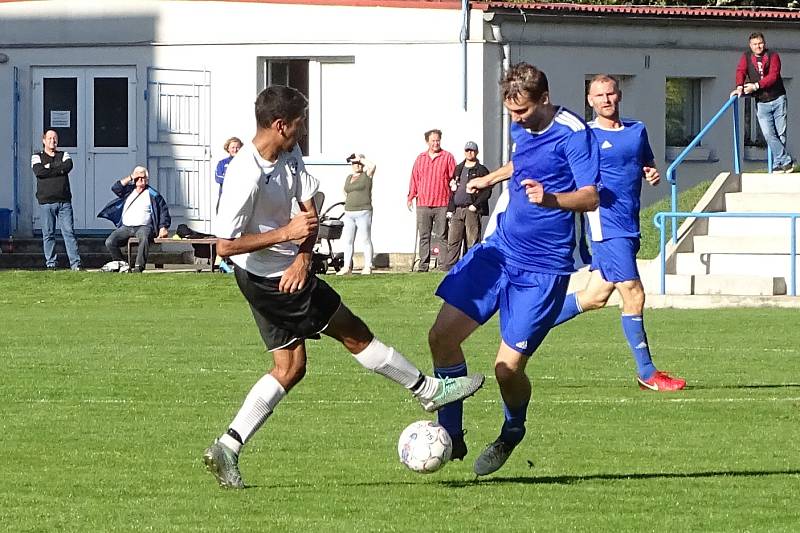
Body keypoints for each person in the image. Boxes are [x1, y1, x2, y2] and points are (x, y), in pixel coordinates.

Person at [204, 85, 484, 489]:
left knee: (290, 367)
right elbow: (225, 245)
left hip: (285, 268)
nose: (302, 131)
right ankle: (428, 390)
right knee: (354, 332)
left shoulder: (288, 152)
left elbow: (308, 203)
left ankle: (227, 447)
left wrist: (303, 254)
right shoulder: (244, 174)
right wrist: (288, 235)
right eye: (299, 123)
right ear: (280, 125)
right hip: (270, 279)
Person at [427, 63, 600, 477]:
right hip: (499, 249)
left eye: (522, 112)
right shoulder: (520, 127)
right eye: (511, 112)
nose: (516, 120)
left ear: (543, 99)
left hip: (543, 267)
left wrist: (551, 200)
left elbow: (591, 196)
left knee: (507, 368)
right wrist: (492, 179)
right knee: (441, 338)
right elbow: (521, 164)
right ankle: (451, 436)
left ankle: (512, 429)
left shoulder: (574, 134)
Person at [552, 74, 686, 392]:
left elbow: (645, 162)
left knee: (595, 296)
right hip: (605, 225)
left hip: (629, 223)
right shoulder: (585, 136)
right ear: (590, 101)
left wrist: (650, 171)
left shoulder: (637, 130)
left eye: (610, 93)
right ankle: (648, 372)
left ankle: (528, 323)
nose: (606, 100)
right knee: (633, 292)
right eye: (599, 95)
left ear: (619, 95)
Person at [732, 32, 793, 173]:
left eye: (760, 43)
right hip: (761, 102)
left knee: (780, 134)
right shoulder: (746, 57)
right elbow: (740, 71)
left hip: (778, 98)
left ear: (764, 43)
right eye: (755, 44)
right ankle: (786, 161)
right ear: (750, 45)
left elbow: (773, 76)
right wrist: (739, 86)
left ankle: (779, 164)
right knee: (768, 134)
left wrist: (756, 86)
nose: (758, 46)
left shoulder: (773, 56)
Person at [98, 166, 171, 273]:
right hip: (126, 227)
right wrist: (131, 177)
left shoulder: (153, 194)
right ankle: (122, 265)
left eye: (143, 177)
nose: (140, 180)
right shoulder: (129, 191)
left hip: (144, 226)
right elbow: (115, 188)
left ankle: (139, 267)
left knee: (144, 238)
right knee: (110, 241)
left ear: (147, 179)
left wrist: (163, 227)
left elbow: (163, 211)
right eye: (137, 178)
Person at [31, 130, 82, 270]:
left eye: (55, 138)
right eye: (49, 138)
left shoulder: (64, 154)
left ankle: (75, 264)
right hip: (45, 202)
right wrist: (57, 168)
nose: (52, 140)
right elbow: (39, 171)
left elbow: (68, 166)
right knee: (48, 234)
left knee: (69, 232)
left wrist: (49, 168)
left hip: (64, 202)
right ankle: (51, 264)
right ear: (44, 140)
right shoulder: (37, 156)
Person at [407, 129, 456, 272]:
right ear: (427, 142)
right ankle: (423, 265)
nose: (435, 143)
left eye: (437, 140)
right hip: (423, 203)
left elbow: (453, 178)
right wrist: (410, 197)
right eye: (433, 140)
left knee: (442, 235)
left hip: (442, 203)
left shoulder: (447, 157)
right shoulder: (420, 158)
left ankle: (442, 265)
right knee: (424, 235)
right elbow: (414, 179)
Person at [443, 141, 491, 270]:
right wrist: (450, 209)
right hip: (457, 210)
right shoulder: (458, 168)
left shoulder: (481, 170)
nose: (469, 152)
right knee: (453, 240)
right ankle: (450, 268)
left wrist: (476, 205)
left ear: (476, 152)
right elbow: (453, 190)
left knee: (472, 240)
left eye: (472, 150)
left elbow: (487, 191)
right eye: (467, 150)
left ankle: (472, 266)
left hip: (471, 210)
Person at [337, 153, 376, 276]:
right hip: (349, 213)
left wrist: (361, 159)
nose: (357, 165)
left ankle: (368, 266)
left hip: (363, 212)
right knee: (348, 240)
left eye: (358, 163)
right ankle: (346, 267)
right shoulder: (349, 177)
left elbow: (373, 166)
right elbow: (345, 190)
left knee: (365, 239)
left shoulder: (366, 175)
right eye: (354, 163)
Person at [215, 136, 243, 211]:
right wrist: (234, 180)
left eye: (237, 147)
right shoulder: (222, 163)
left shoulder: (244, 163)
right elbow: (218, 178)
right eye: (232, 147)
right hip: (225, 197)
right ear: (228, 148)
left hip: (240, 197)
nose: (235, 150)